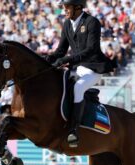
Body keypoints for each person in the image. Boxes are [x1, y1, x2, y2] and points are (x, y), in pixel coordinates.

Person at [45, 0, 115, 148]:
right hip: (76, 68)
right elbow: (60, 51)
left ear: (77, 7)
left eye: (67, 7)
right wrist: (47, 59)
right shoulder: (67, 24)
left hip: (93, 68)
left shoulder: (91, 22)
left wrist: (68, 59)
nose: (64, 10)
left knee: (78, 88)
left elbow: (91, 49)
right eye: (64, 7)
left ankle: (73, 129)